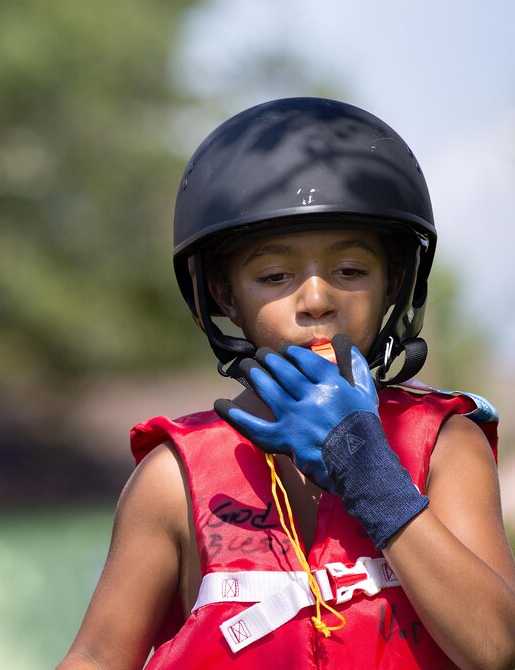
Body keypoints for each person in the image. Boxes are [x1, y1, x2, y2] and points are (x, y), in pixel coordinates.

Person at [57, 98, 515, 669]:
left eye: (350, 272)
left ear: (396, 283)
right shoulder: (173, 481)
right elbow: (95, 658)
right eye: (274, 275)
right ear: (223, 296)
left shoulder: (444, 447)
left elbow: (497, 650)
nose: (317, 301)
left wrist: (369, 471)